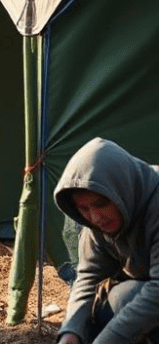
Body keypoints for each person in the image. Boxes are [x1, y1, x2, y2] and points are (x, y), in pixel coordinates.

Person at [55, 138, 159, 344]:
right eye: (84, 208)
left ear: (122, 189)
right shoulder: (97, 222)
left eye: (101, 204)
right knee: (111, 304)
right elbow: (88, 275)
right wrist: (71, 331)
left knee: (130, 298)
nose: (95, 217)